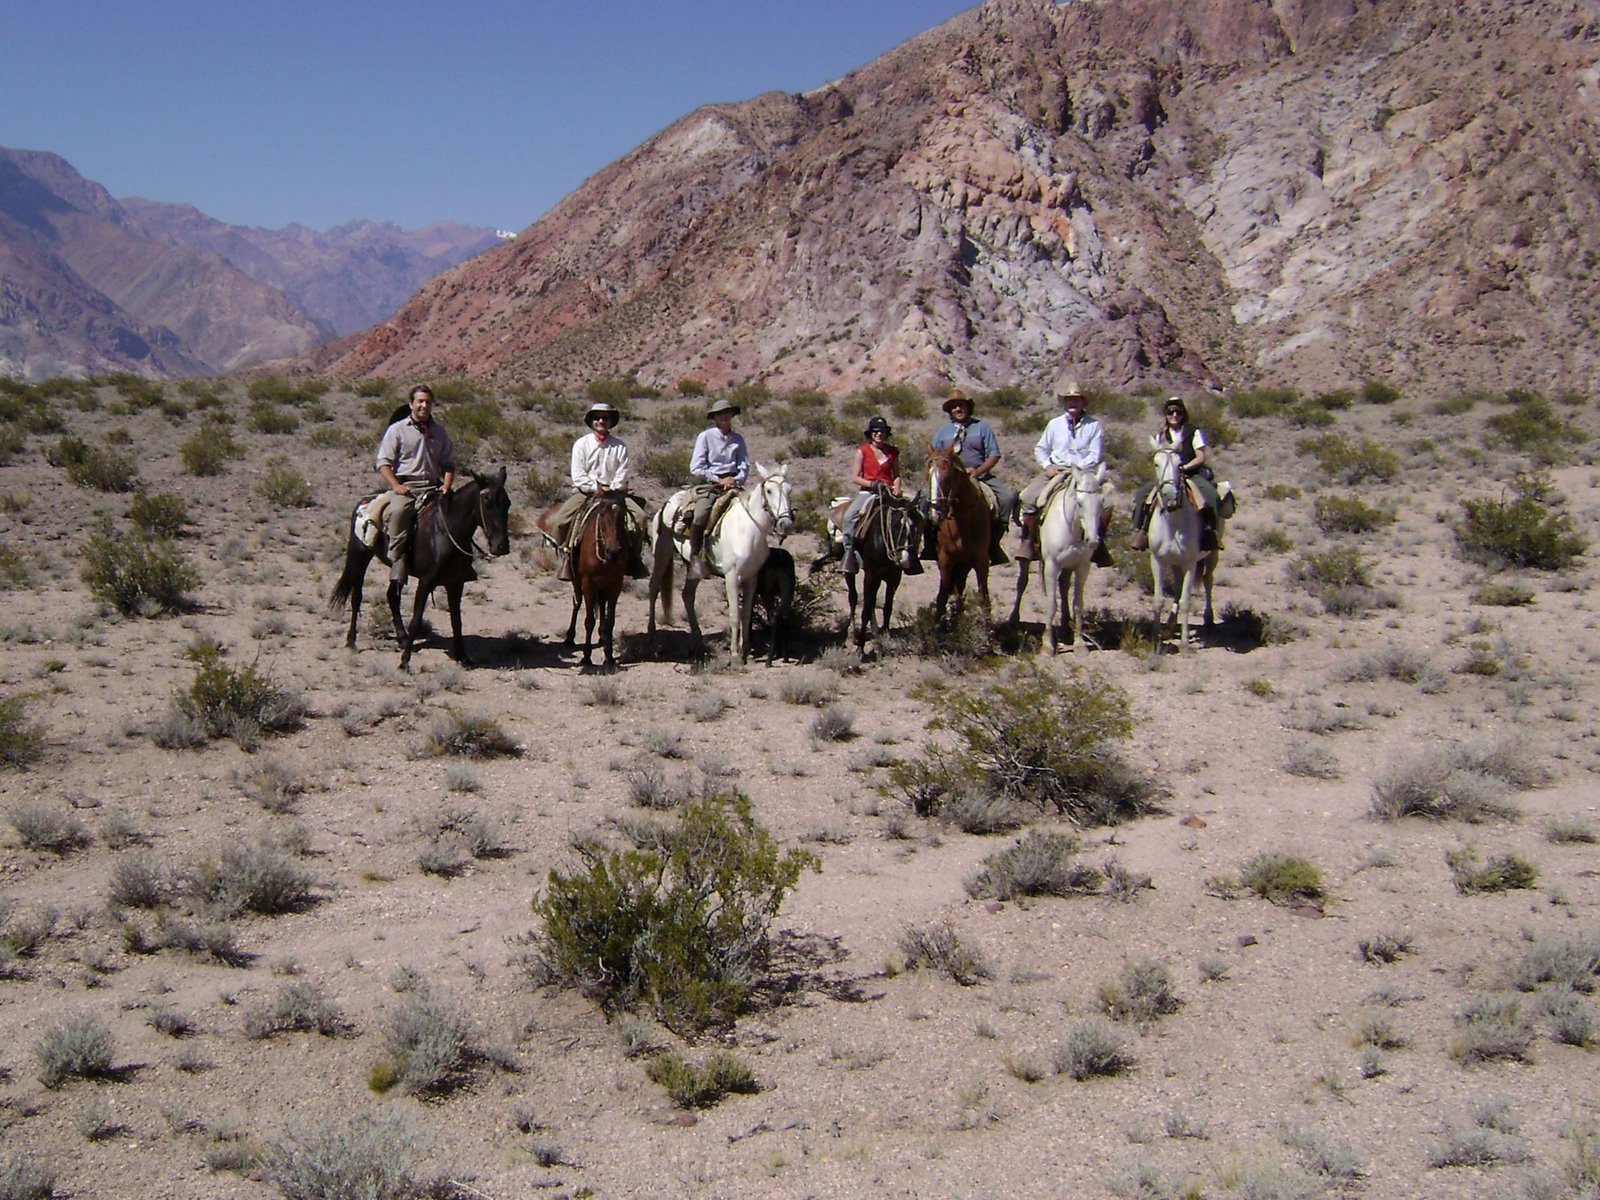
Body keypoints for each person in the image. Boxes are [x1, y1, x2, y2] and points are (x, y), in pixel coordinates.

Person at [547, 401, 650, 581]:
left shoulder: (619, 446)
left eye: (605, 417)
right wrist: (595, 488)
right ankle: (567, 556)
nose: (601, 421)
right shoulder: (581, 444)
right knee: (561, 521)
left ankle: (634, 558)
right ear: (591, 421)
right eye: (597, 418)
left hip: (615, 493)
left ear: (610, 421)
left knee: (640, 518)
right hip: (586, 492)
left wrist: (613, 487)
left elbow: (622, 472)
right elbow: (578, 474)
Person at [1017, 378, 1112, 565]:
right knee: (1028, 497)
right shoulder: (1054, 424)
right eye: (1069, 400)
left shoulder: (1093, 425)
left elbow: (1095, 454)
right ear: (1064, 403)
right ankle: (1030, 541)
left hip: (1085, 473)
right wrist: (1047, 466)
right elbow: (1041, 448)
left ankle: (1098, 544)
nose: (1073, 403)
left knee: (1107, 504)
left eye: (1076, 399)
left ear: (1083, 403)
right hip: (1057, 471)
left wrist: (1079, 469)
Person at [375, 384, 455, 583]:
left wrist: (446, 486)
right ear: (411, 404)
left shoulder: (439, 432)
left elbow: (448, 464)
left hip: (434, 486)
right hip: (407, 487)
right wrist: (396, 486)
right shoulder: (397, 430)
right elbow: (383, 463)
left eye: (428, 402)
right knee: (399, 512)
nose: (424, 406)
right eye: (420, 401)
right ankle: (397, 559)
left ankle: (459, 561)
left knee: (459, 514)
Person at [927, 388, 1014, 565]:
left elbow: (994, 455)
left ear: (968, 407)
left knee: (1006, 498)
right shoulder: (943, 431)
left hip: (978, 475)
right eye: (954, 407)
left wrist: (977, 471)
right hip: (949, 479)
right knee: (924, 501)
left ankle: (994, 542)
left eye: (961, 405)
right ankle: (930, 544)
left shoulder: (982, 427)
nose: (958, 409)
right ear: (949, 411)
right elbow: (934, 456)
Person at [1130, 396, 1221, 551]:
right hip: (1167, 477)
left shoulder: (1193, 432)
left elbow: (1200, 457)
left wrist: (1184, 467)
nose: (1174, 415)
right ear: (1166, 415)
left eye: (1178, 412)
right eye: (1170, 412)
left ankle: (1209, 533)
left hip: (1190, 474)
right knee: (1142, 495)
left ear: (1183, 414)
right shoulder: (1161, 435)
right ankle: (1142, 530)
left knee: (1211, 495)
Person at [838, 415, 917, 573]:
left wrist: (897, 486)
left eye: (882, 431)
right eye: (875, 431)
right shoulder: (863, 451)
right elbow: (855, 477)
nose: (879, 434)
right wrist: (872, 484)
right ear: (870, 433)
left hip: (889, 492)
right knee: (849, 518)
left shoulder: (893, 452)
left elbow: (896, 474)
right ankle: (849, 554)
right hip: (868, 492)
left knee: (915, 514)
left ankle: (912, 553)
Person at [685, 397, 750, 579]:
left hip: (733, 483)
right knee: (700, 514)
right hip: (712, 484)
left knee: (755, 511)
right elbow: (696, 467)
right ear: (714, 417)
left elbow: (744, 465)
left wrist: (736, 480)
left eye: (726, 413)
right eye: (720, 414)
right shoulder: (705, 437)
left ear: (731, 415)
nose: (724, 416)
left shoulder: (738, 439)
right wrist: (719, 480)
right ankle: (695, 557)